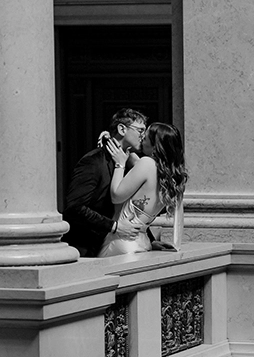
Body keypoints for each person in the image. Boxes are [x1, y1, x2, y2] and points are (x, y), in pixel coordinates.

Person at [62, 108, 147, 256]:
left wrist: (149, 239)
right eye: (140, 130)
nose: (143, 136)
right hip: (87, 249)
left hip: (116, 245)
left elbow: (130, 209)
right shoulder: (93, 161)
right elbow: (74, 207)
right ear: (122, 129)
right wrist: (114, 226)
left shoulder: (130, 163)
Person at [97, 122, 187, 257]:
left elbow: (116, 196)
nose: (142, 136)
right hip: (143, 242)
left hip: (123, 241)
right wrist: (112, 140)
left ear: (155, 145)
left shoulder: (146, 164)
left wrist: (119, 165)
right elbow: (131, 157)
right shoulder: (170, 175)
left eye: (146, 135)